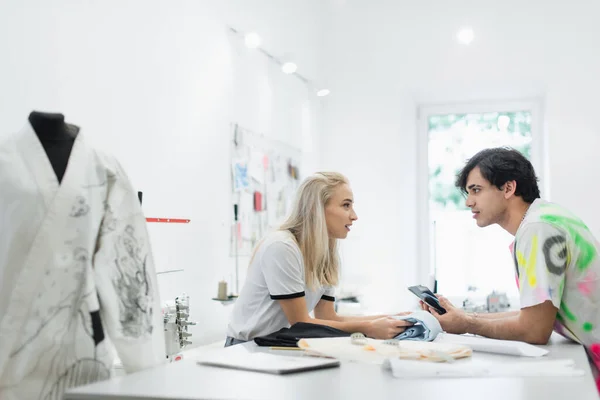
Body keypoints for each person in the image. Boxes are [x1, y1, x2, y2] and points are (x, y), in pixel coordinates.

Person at [0, 113, 166, 400]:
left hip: (82, 356)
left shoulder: (103, 170)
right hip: (11, 353)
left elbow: (127, 274)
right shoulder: (6, 162)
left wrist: (145, 372)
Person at [421, 147, 599, 389]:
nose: (468, 201)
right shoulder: (545, 219)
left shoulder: (539, 229)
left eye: (476, 190)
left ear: (508, 188)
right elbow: (531, 316)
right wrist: (464, 318)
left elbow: (535, 330)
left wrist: (467, 325)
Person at [226, 172, 411, 346]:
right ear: (318, 209)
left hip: (277, 344)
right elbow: (301, 323)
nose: (354, 216)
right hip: (247, 347)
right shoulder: (282, 247)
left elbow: (328, 318)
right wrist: (368, 328)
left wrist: (392, 319)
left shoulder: (326, 252)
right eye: (346, 205)